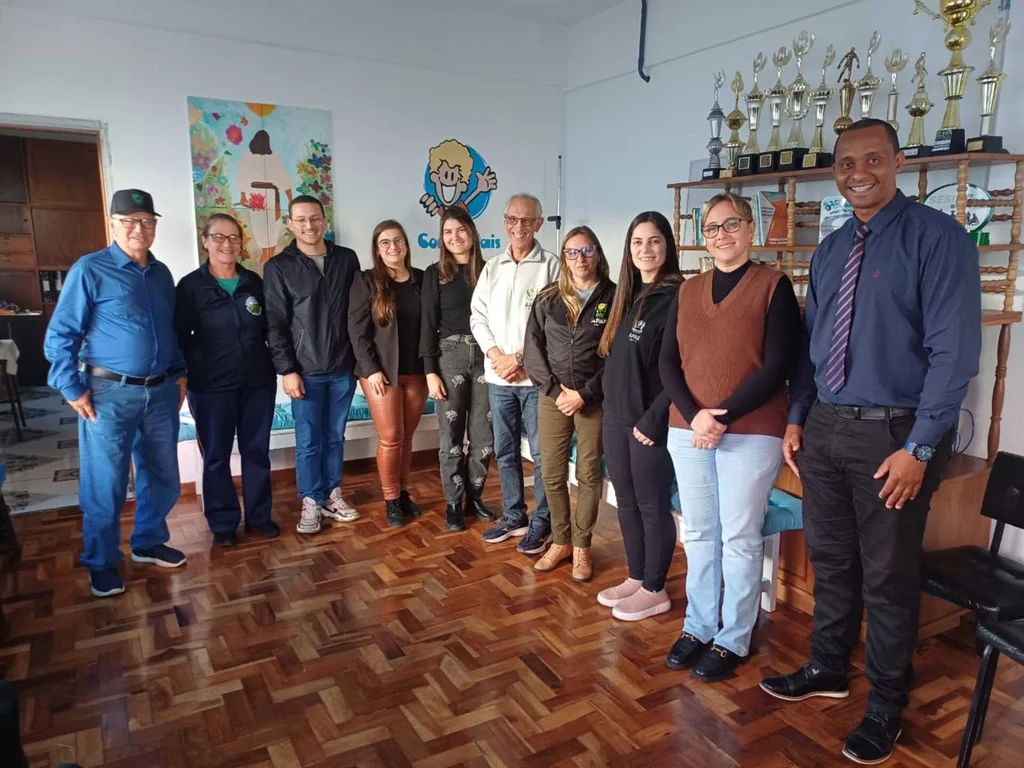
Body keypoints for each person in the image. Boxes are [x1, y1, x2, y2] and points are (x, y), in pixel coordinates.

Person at [759, 119, 982, 765]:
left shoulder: (939, 240)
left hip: (894, 436)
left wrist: (918, 448)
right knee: (832, 562)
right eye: (847, 162)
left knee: (888, 577)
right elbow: (813, 345)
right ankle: (828, 669)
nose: (858, 173)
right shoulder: (830, 251)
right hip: (825, 429)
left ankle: (887, 703)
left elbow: (954, 355)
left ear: (899, 162)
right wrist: (798, 415)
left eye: (873, 160)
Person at [659, 193, 801, 681]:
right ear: (704, 236)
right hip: (688, 429)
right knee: (698, 532)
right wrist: (696, 415)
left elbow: (780, 363)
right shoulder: (687, 290)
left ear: (751, 230)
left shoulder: (772, 285)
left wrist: (721, 415)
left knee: (740, 535)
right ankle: (697, 627)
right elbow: (667, 362)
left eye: (732, 224)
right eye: (713, 227)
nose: (722, 234)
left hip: (752, 430)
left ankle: (733, 638)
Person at [44, 189, 188, 599]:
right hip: (107, 394)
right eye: (129, 221)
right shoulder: (90, 270)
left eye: (146, 221)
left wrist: (179, 374)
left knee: (161, 475)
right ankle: (101, 562)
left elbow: (170, 330)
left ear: (155, 226)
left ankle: (147, 542)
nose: (138, 229)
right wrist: (71, 387)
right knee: (105, 483)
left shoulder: (161, 274)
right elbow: (61, 335)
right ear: (113, 224)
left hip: (160, 393)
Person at [595, 211, 682, 621]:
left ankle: (655, 588)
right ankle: (637, 575)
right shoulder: (624, 296)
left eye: (654, 242)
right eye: (637, 243)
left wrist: (654, 417)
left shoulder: (678, 297)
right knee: (625, 503)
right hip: (616, 417)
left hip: (650, 424)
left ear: (667, 246)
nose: (645, 250)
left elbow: (684, 371)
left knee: (652, 506)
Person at [175, 213, 279, 547]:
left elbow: (271, 330)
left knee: (257, 451)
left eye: (234, 238)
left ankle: (260, 517)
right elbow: (178, 336)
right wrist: (183, 377)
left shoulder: (254, 283)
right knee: (217, 455)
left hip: (257, 382)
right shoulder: (191, 286)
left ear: (241, 244)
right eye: (219, 237)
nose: (227, 244)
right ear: (205, 241)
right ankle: (222, 523)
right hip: (210, 386)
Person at [263, 195, 362, 535]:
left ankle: (333, 495)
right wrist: (286, 370)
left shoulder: (346, 259)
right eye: (301, 220)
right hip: (304, 372)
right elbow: (275, 324)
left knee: (335, 437)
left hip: (342, 369)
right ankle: (310, 501)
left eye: (315, 218)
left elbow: (357, 315)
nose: (309, 225)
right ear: (290, 224)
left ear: (324, 221)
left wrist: (360, 363)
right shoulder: (278, 267)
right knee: (309, 441)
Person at [523, 226, 615, 581]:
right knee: (551, 471)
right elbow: (533, 348)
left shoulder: (614, 296)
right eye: (573, 252)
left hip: (592, 399)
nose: (581, 258)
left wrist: (584, 394)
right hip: (553, 398)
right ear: (564, 258)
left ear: (598, 254)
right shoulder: (548, 298)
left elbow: (616, 357)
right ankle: (559, 541)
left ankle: (581, 547)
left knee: (589, 474)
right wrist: (555, 391)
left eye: (587, 250)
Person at [470, 194, 559, 553]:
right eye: (512, 219)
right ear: (505, 222)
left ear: (539, 223)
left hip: (536, 381)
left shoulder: (552, 266)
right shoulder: (493, 267)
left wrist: (520, 357)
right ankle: (513, 515)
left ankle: (543, 521)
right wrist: (495, 355)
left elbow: (554, 322)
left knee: (542, 456)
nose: (518, 227)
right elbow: (478, 317)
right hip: (499, 380)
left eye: (527, 220)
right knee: (505, 452)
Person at [419, 207, 497, 531]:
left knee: (483, 435)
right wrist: (429, 371)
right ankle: (453, 501)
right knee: (450, 435)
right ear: (441, 238)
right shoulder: (434, 273)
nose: (455, 237)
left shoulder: (491, 271)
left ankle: (474, 496)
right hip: (448, 356)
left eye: (460, 230)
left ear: (472, 232)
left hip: (486, 357)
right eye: (447, 232)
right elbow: (427, 323)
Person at [348, 220, 428, 528]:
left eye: (398, 241)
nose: (393, 247)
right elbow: (357, 332)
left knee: (407, 437)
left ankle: (404, 492)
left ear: (406, 245)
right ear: (377, 249)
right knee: (392, 437)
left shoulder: (422, 280)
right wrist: (371, 371)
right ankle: (391, 498)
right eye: (385, 243)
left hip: (417, 372)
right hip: (381, 373)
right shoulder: (366, 281)